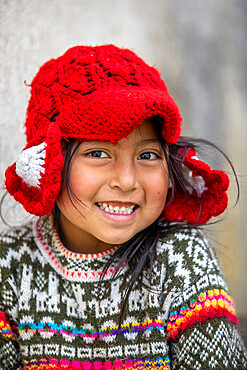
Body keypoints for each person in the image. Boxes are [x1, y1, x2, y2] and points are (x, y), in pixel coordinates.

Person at [0, 44, 246, 370]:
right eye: (98, 153)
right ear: (48, 164)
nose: (127, 181)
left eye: (147, 155)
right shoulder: (10, 266)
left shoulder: (182, 258)